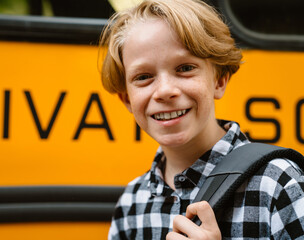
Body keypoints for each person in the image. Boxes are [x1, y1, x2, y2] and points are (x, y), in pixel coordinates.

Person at [99, 0, 304, 239]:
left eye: (185, 68)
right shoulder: (131, 204)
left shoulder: (278, 184)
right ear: (127, 99)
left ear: (219, 80)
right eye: (144, 76)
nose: (165, 91)